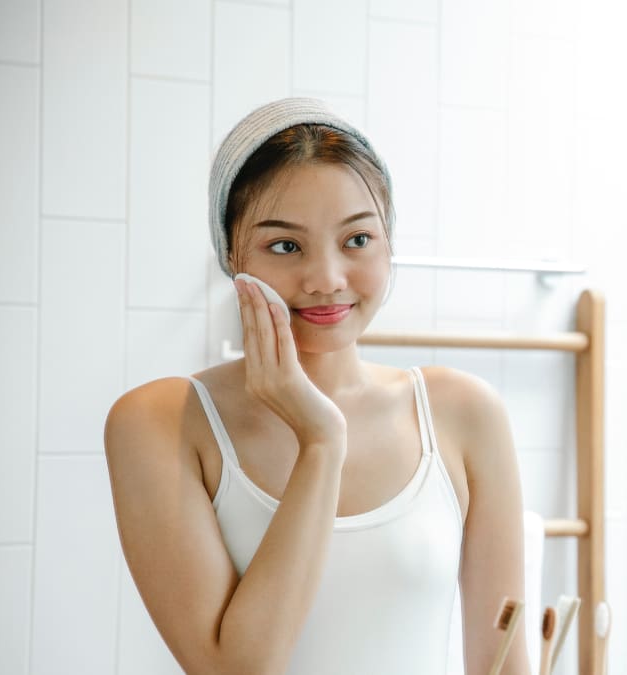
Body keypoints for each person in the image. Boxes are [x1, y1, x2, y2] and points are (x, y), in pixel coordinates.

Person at [104, 98, 530, 675]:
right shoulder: (158, 422)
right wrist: (320, 439)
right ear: (232, 255)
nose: (327, 280)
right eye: (285, 246)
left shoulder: (463, 412)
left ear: (389, 241)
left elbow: (502, 664)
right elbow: (238, 669)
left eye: (357, 240)